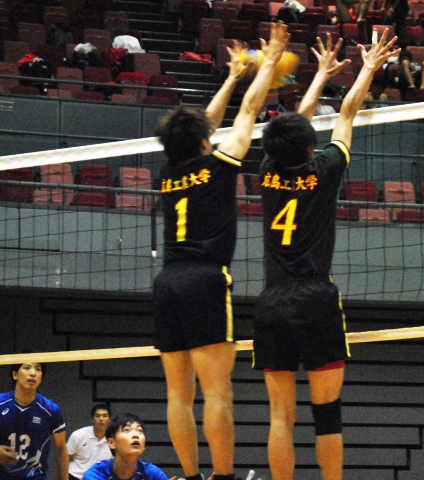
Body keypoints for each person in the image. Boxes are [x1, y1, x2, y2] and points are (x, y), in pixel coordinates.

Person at [252, 30, 397, 480]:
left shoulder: (266, 170)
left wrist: (318, 77)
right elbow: (347, 112)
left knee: (280, 417)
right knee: (327, 415)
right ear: (310, 148)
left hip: (272, 300)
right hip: (315, 299)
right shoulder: (327, 168)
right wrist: (367, 68)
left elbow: (297, 123)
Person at [152, 22, 291, 480]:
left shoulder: (169, 173)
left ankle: (192, 476)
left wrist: (232, 76)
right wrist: (268, 63)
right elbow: (250, 110)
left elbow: (202, 127)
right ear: (203, 142)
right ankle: (224, 476)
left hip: (167, 282)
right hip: (205, 280)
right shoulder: (217, 166)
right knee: (217, 393)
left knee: (178, 396)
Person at [0, 362, 69, 480]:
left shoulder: (51, 409)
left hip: (35, 477)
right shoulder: (1, 403)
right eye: (27, 368)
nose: (33, 373)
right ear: (15, 374)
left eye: (38, 369)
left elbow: (61, 448)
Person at [83, 414, 167, 480]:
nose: (136, 435)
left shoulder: (153, 474)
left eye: (139, 430)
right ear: (111, 443)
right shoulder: (95, 474)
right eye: (127, 430)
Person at [67, 404, 113, 480]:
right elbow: (65, 459)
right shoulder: (78, 435)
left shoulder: (114, 440)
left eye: (105, 416)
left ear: (110, 420)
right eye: (97, 416)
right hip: (75, 476)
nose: (101, 419)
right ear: (92, 419)